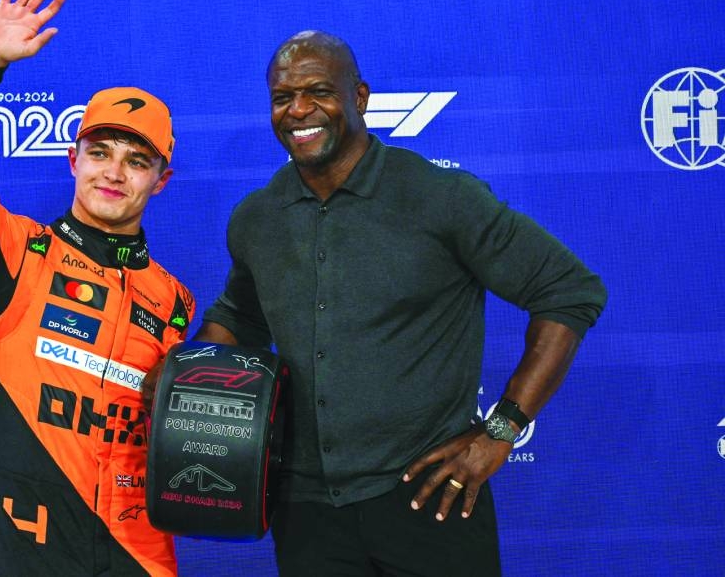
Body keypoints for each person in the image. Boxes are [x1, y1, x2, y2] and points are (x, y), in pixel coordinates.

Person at [192, 30, 607, 576]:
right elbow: (239, 320)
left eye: (319, 92)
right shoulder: (257, 217)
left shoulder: (441, 196)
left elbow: (569, 291)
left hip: (431, 499)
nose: (298, 110)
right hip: (307, 512)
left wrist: (501, 430)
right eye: (282, 97)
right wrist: (183, 375)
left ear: (360, 98)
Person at [0, 0, 194, 576]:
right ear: (73, 160)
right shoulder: (19, 255)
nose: (114, 172)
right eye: (100, 152)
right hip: (28, 549)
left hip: (140, 552)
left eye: (137, 161)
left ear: (160, 180)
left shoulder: (174, 299)